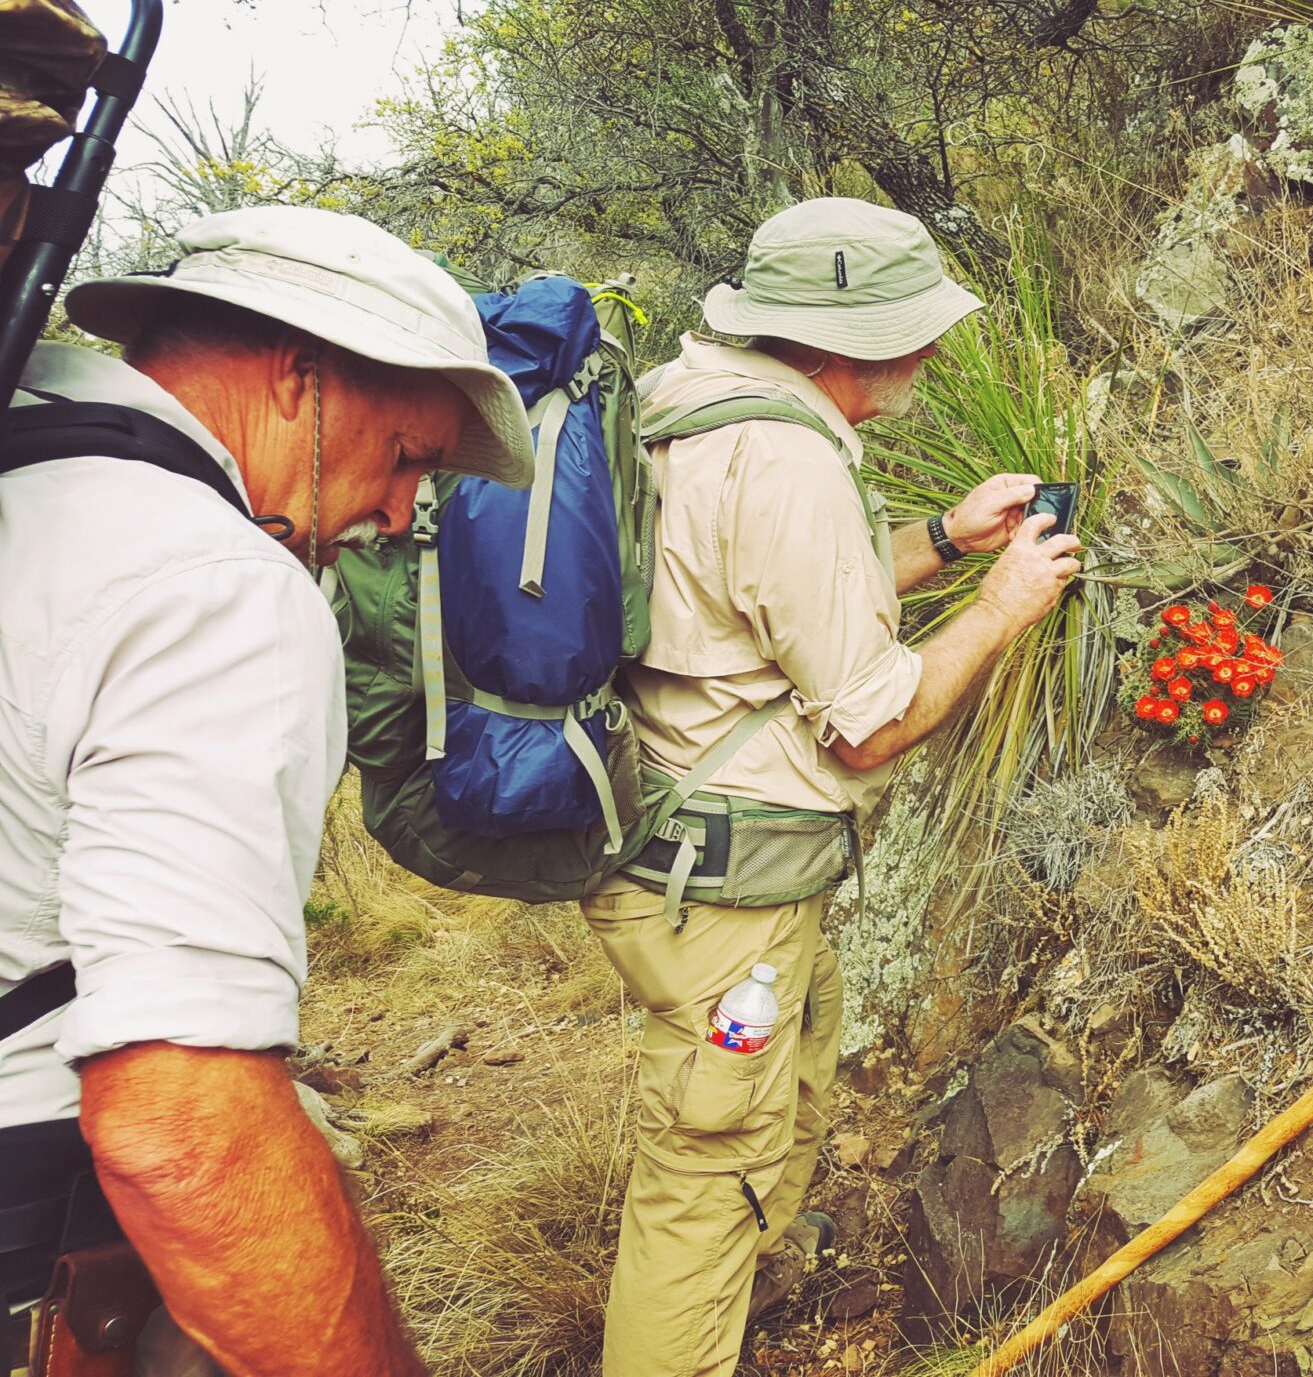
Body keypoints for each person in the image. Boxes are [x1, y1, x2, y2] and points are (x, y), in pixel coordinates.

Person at [0, 205, 536, 1375]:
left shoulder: (27, 466)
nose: (398, 517)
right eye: (407, 459)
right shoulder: (212, 579)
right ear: (300, 376)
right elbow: (178, 1127)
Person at [584, 196, 1080, 1377]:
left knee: (778, 1090)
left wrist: (945, 542)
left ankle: (746, 1284)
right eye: (914, 330)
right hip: (723, 899)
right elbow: (871, 725)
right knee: (704, 1175)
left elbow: (760, 601)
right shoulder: (786, 458)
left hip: (701, 867)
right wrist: (1003, 608)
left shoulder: (685, 404)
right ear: (841, 341)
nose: (930, 351)